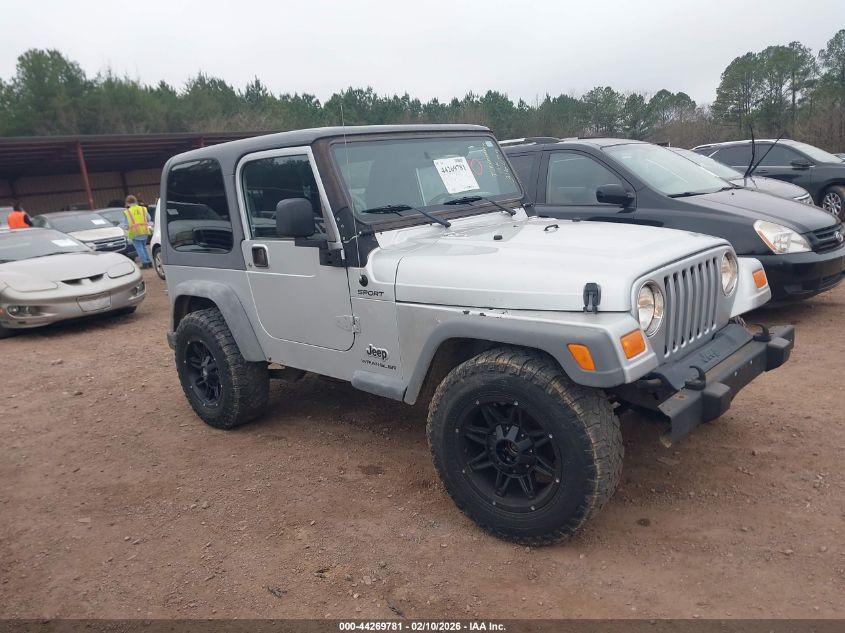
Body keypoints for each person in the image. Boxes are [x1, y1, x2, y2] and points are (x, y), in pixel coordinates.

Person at [121, 195, 152, 268]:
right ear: (136, 201)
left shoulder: (127, 212)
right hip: (144, 231)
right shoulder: (143, 209)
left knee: (139, 248)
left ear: (127, 203)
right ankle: (149, 262)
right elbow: (149, 218)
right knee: (144, 247)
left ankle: (145, 263)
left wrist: (126, 228)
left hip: (135, 232)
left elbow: (125, 224)